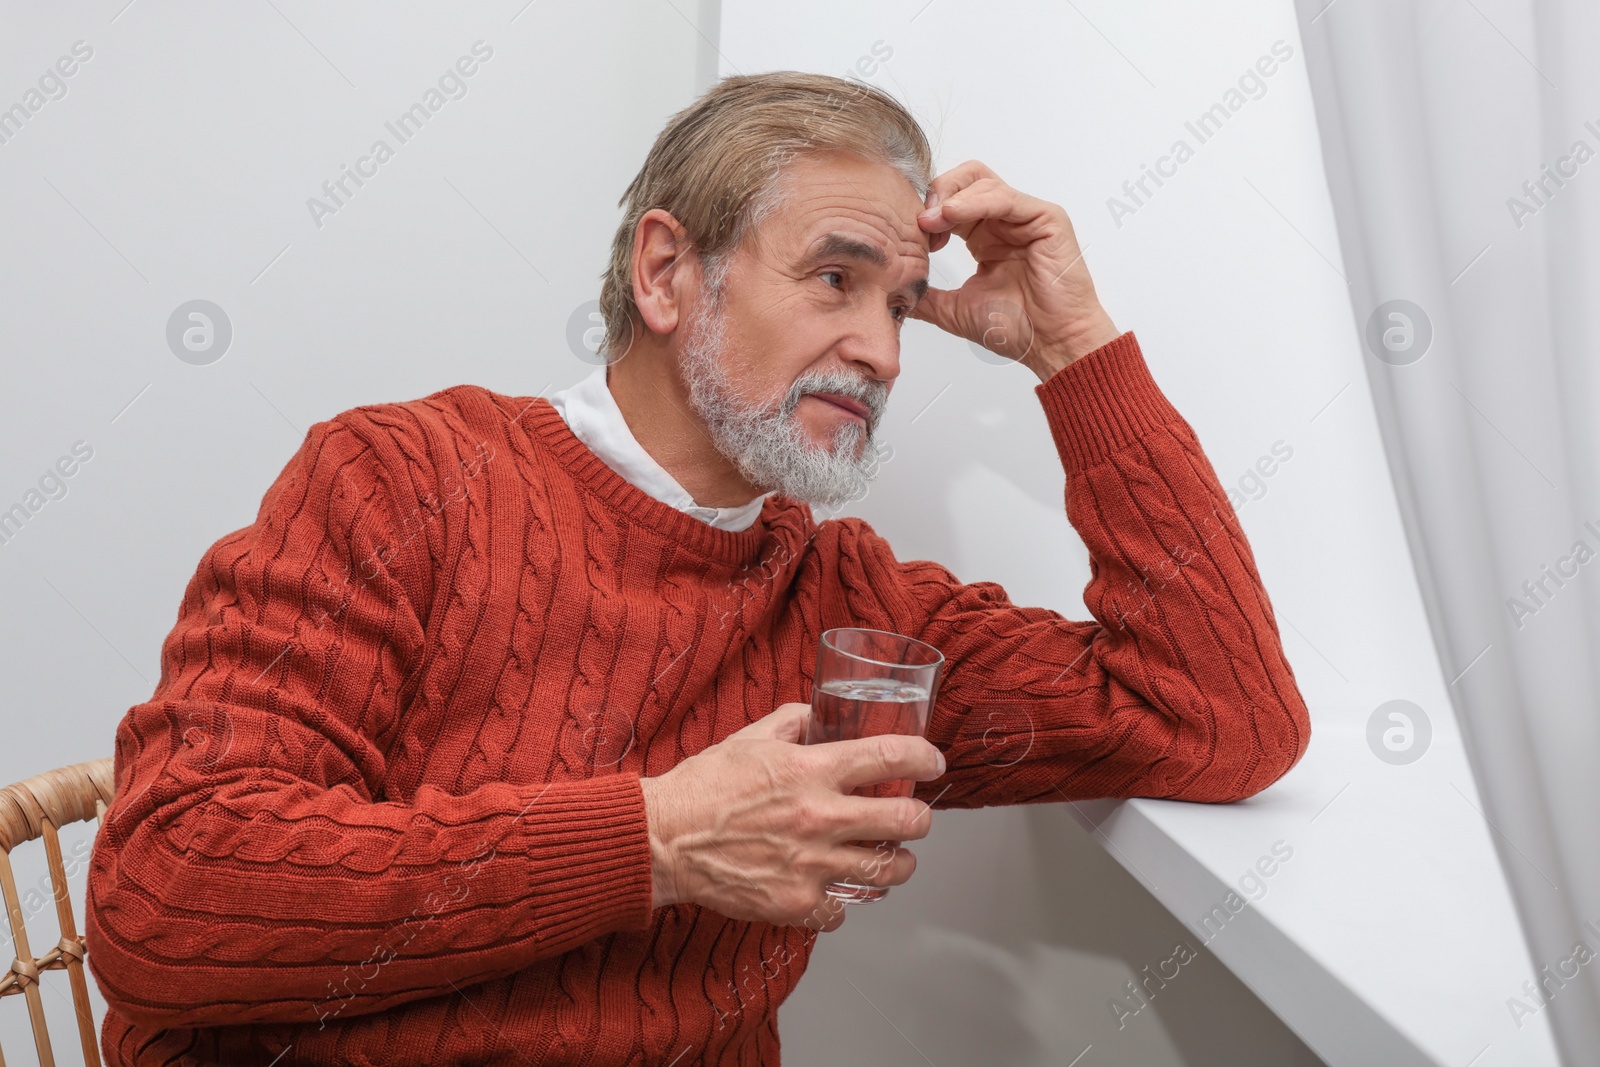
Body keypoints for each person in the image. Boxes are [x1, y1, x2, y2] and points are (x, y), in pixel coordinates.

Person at [85, 70, 1310, 1066]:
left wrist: (1072, 346)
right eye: (837, 278)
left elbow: (1217, 719)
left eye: (903, 302)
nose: (881, 349)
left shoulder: (853, 604)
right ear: (667, 273)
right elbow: (166, 896)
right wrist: (658, 836)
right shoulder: (399, 482)